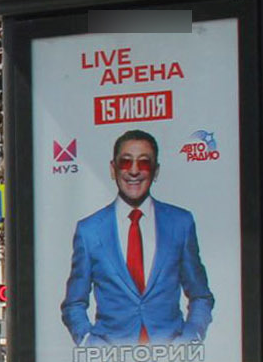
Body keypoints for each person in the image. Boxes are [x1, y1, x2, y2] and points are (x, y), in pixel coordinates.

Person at [61, 129, 214, 346]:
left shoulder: (180, 223)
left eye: (144, 163)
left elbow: (200, 296)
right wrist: (90, 343)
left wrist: (190, 339)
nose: (134, 171)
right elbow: (73, 304)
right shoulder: (89, 230)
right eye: (125, 162)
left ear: (156, 171)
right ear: (113, 169)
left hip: (171, 357)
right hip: (110, 358)